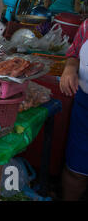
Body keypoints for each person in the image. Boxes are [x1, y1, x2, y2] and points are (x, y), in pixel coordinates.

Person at [59, 19, 88, 201]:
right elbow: (74, 53)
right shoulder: (86, 26)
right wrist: (70, 68)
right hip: (85, 107)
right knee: (76, 171)